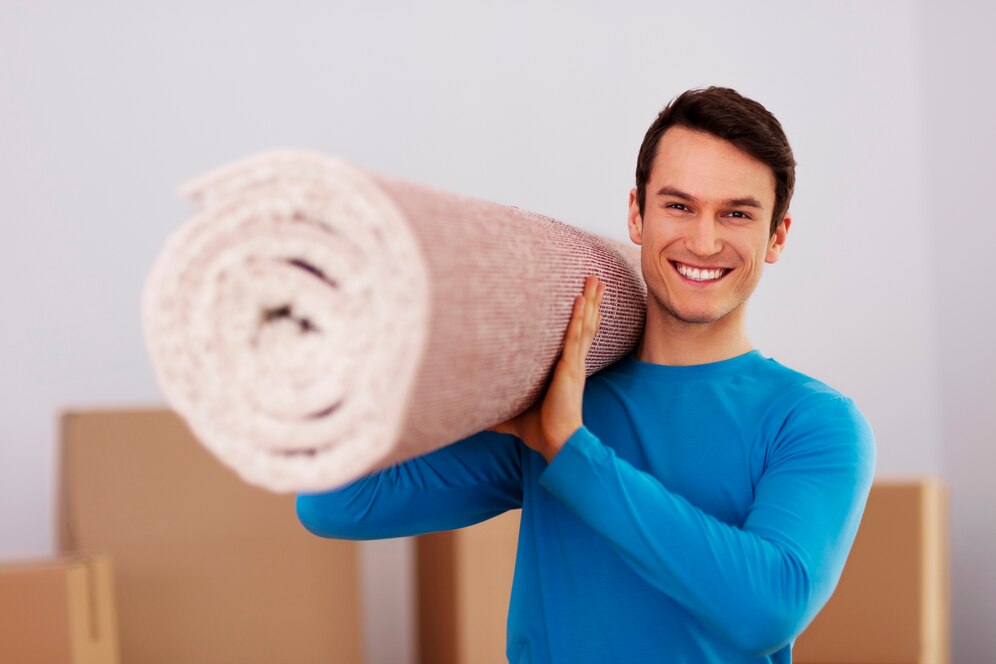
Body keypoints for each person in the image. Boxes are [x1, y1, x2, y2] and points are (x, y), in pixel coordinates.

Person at [295, 87, 876, 663]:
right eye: (679, 206)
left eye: (737, 213)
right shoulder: (560, 398)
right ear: (636, 214)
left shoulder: (814, 421)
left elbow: (767, 609)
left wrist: (572, 451)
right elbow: (335, 502)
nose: (704, 240)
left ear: (777, 235)